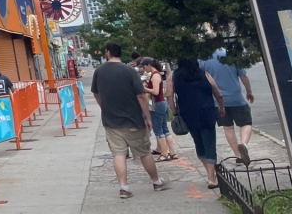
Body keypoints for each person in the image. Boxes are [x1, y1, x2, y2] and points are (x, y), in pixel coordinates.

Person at [92, 42, 172, 198]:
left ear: (108, 53)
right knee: (144, 152)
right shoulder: (129, 71)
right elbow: (141, 95)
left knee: (118, 154)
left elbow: (96, 93)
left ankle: (124, 187)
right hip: (133, 119)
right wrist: (147, 117)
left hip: (111, 121)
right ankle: (156, 182)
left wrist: (104, 107)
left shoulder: (99, 71)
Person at [166, 58, 227, 189]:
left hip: (188, 114)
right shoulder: (205, 74)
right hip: (207, 112)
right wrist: (222, 108)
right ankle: (211, 177)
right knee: (210, 143)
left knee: (198, 143)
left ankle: (210, 174)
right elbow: (218, 94)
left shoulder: (173, 75)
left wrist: (175, 113)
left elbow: (169, 96)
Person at [200, 49, 255, 165]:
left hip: (217, 101)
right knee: (246, 123)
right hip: (236, 98)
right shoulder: (232, 54)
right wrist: (249, 91)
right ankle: (243, 144)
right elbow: (243, 76)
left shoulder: (203, 59)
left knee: (228, 128)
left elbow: (202, 79)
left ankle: (238, 156)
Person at [141, 58, 178, 161]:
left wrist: (144, 89)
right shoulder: (156, 75)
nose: (144, 69)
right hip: (161, 103)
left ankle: (164, 153)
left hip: (158, 104)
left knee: (158, 130)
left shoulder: (155, 75)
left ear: (148, 65)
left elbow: (156, 91)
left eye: (144, 67)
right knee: (164, 128)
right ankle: (172, 152)